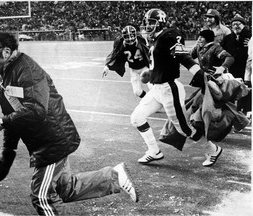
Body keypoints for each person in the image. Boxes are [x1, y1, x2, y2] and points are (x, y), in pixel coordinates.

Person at [0, 32, 139, 215]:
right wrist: (8, 151)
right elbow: (12, 116)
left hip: (52, 139)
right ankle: (114, 177)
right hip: (41, 141)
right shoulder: (1, 79)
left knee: (42, 196)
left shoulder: (27, 70)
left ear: (6, 52)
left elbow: (37, 110)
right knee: (65, 189)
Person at [130, 8, 223, 167]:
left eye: (152, 22)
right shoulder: (156, 39)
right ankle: (154, 151)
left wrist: (199, 74)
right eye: (147, 23)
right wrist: (150, 73)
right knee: (136, 118)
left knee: (184, 129)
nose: (148, 26)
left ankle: (212, 149)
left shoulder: (169, 35)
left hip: (169, 89)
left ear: (161, 22)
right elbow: (162, 63)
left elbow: (183, 57)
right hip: (156, 89)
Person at [102, 25, 151, 98]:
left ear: (135, 35)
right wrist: (107, 67)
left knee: (154, 87)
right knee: (137, 92)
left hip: (145, 68)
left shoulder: (141, 40)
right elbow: (114, 55)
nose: (130, 39)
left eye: (131, 36)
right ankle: (148, 99)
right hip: (134, 70)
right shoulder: (121, 44)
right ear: (123, 37)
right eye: (127, 37)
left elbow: (149, 52)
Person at [221, 14, 252, 115]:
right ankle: (235, 111)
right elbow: (222, 51)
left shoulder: (249, 36)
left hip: (246, 68)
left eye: (238, 24)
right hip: (233, 69)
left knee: (247, 90)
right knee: (234, 90)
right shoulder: (228, 38)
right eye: (233, 24)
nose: (235, 26)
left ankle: (246, 111)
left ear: (243, 25)